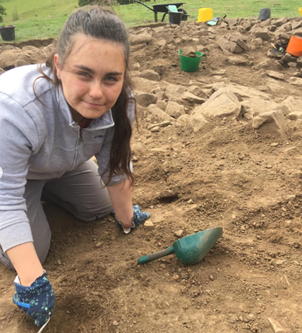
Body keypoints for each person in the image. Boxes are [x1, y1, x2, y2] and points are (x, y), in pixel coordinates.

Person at [0, 7, 150, 327]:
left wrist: (127, 218)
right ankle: (35, 207)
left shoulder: (124, 103)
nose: (97, 92)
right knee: (34, 253)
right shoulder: (15, 109)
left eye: (111, 78)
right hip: (12, 177)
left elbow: (115, 167)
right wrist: (32, 279)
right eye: (84, 74)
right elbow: (6, 199)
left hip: (59, 166)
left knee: (100, 207)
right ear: (58, 66)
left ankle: (46, 196)